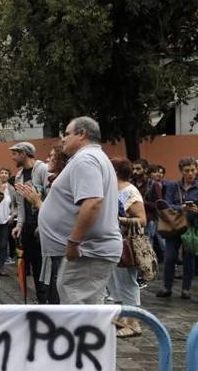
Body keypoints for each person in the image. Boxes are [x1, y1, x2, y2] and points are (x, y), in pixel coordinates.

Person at [38, 117, 122, 304]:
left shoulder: (86, 159)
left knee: (78, 311)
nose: (63, 139)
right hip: (90, 251)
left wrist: (74, 241)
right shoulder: (92, 158)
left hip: (88, 251)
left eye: (67, 134)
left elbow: (92, 202)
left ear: (82, 134)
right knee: (86, 307)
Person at [108, 158, 145, 338]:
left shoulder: (130, 191)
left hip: (126, 243)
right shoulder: (112, 190)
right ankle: (122, 318)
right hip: (112, 242)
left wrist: (118, 219)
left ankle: (133, 322)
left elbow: (142, 219)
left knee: (128, 283)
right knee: (115, 282)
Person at [10, 141, 49, 303]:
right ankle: (33, 301)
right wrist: (19, 224)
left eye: (15, 153)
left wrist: (43, 224)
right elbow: (20, 204)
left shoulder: (42, 169)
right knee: (29, 265)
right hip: (27, 227)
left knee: (42, 267)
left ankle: (45, 301)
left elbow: (50, 197)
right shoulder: (18, 175)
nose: (12, 157)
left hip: (42, 226)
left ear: (23, 153)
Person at [156, 157, 198, 299]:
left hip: (191, 228)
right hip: (173, 226)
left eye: (193, 170)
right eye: (187, 171)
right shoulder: (173, 186)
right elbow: (165, 205)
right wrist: (182, 207)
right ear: (181, 171)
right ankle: (167, 287)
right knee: (169, 257)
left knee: (189, 259)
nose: (191, 173)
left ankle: (185, 289)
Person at [131, 158, 164, 265]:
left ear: (145, 170)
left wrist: (141, 203)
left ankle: (148, 270)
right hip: (132, 219)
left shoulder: (153, 184)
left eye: (138, 169)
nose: (135, 171)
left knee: (147, 246)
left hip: (148, 219)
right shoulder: (131, 183)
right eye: (133, 169)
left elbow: (158, 204)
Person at [0, 168, 17, 277]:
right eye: (2, 173)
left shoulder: (12, 189)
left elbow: (15, 205)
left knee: (3, 245)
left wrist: (13, 215)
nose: (4, 175)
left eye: (6, 173)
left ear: (9, 175)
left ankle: (1, 268)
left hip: (5, 221)